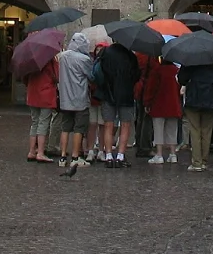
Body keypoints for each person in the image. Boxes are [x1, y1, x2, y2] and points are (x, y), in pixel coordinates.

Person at [177, 56, 213, 173]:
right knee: (206, 131)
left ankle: (196, 162)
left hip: (194, 98)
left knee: (195, 130)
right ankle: (204, 161)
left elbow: (182, 79)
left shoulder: (189, 61)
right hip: (210, 99)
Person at [54, 32, 93, 169]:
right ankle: (75, 156)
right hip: (79, 98)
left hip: (65, 98)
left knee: (65, 128)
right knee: (79, 128)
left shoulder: (62, 57)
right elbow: (91, 75)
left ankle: (63, 156)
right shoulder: (84, 59)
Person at [96, 41, 138, 168]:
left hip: (108, 94)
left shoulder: (105, 53)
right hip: (126, 94)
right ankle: (120, 156)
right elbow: (136, 76)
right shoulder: (131, 56)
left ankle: (108, 156)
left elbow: (98, 73)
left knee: (108, 125)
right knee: (125, 125)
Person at [139, 54, 182, 165]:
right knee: (172, 130)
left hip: (159, 104)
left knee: (158, 130)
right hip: (173, 105)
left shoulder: (157, 70)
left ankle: (159, 154)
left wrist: (147, 103)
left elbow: (151, 88)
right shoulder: (176, 71)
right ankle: (173, 154)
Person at [25, 51, 58, 163]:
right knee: (43, 123)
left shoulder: (30, 60)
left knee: (34, 123)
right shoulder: (50, 60)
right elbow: (56, 76)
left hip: (32, 94)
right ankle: (40, 152)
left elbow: (24, 77)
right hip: (45, 95)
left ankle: (31, 151)